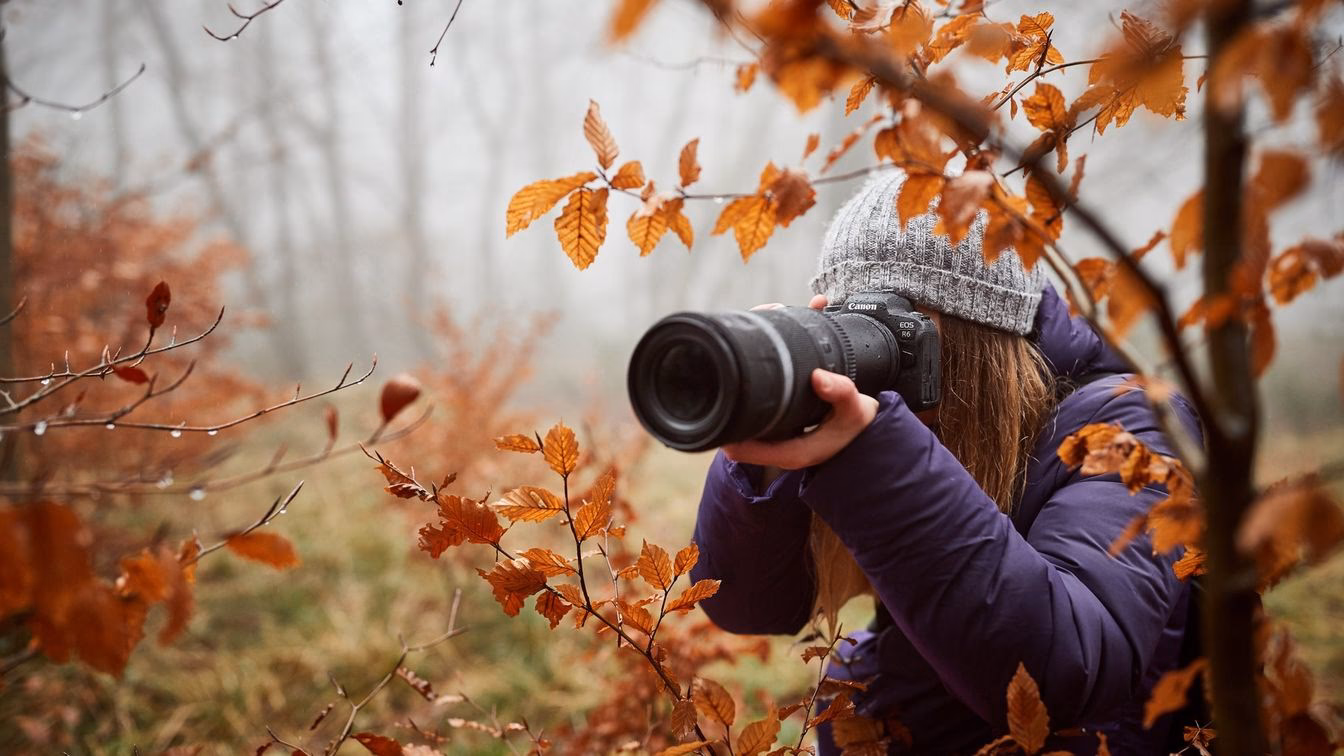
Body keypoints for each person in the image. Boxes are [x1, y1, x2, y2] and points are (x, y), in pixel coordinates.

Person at [688, 169, 1200, 754]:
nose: (868, 353)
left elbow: (1069, 671)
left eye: (895, 324)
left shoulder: (1127, 423)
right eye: (847, 319)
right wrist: (765, 455)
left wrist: (877, 455)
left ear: (977, 340)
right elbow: (748, 605)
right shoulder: (884, 432)